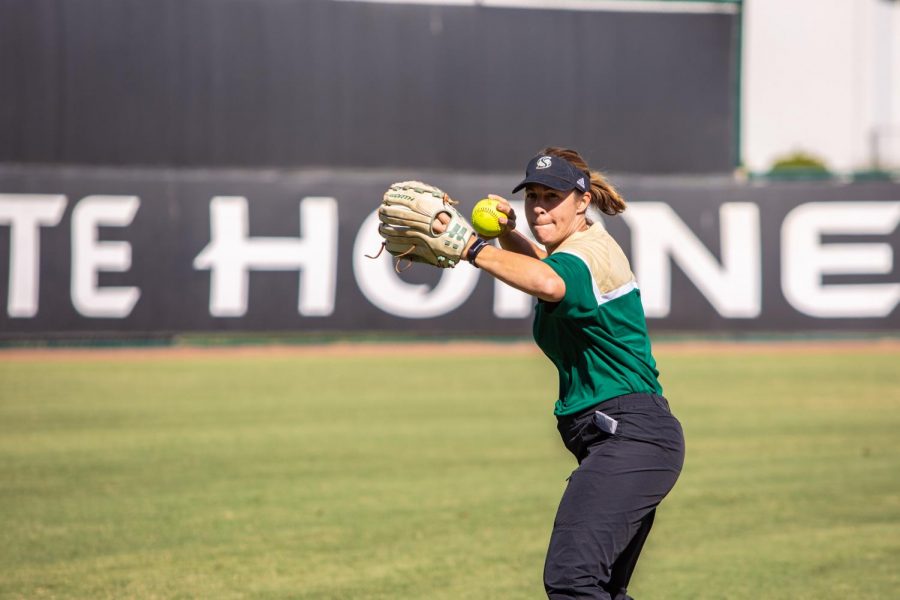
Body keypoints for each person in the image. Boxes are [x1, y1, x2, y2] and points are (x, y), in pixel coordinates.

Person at [454, 147, 685, 599]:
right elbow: (543, 267)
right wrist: (507, 236)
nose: (539, 205)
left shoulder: (588, 253)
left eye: (553, 196)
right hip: (629, 437)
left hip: (630, 437)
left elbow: (548, 283)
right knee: (599, 588)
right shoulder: (574, 250)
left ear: (582, 201)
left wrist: (471, 247)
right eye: (533, 195)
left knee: (572, 581)